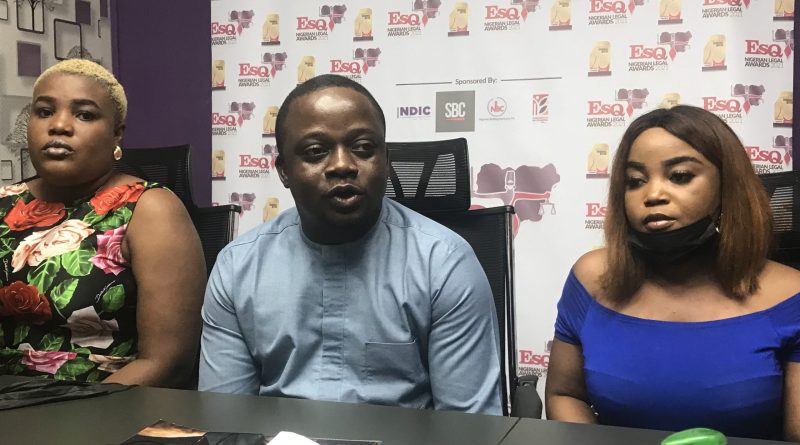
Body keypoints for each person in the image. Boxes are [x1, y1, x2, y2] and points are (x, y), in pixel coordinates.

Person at [199, 74, 502, 415]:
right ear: (284, 170)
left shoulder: (445, 263)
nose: (343, 165)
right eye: (316, 151)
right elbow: (226, 421)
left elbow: (467, 430)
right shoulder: (238, 267)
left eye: (363, 149)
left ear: (386, 161)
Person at [545, 105, 800, 441]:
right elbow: (565, 396)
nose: (652, 195)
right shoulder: (591, 279)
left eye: (680, 176)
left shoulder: (791, 296)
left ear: (728, 187)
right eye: (635, 181)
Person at [0, 59, 206, 386]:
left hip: (103, 407)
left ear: (116, 134)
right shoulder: (5, 203)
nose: (59, 126)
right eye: (44, 111)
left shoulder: (150, 209)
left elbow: (168, 363)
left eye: (84, 114)